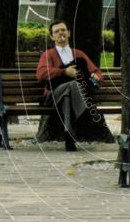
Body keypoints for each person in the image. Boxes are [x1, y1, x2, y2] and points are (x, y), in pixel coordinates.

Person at [36, 20, 102, 151]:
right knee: (72, 84)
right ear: (52, 36)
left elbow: (96, 72)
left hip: (69, 94)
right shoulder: (48, 54)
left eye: (63, 30)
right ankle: (84, 114)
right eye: (56, 31)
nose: (60, 33)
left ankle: (69, 138)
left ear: (69, 33)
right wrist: (64, 71)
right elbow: (41, 74)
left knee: (68, 97)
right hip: (53, 95)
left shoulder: (78, 53)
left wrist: (96, 77)